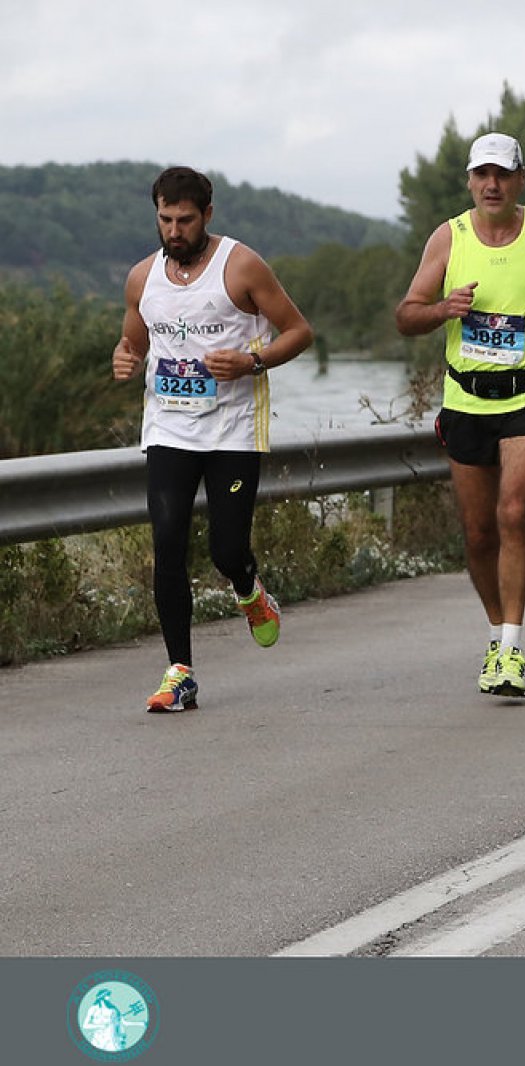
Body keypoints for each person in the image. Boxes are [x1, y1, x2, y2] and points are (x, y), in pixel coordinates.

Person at [395, 133, 525, 698]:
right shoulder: (449, 237)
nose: (492, 185)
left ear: (520, 180)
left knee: (513, 511)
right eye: (482, 175)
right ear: (469, 181)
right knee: (479, 530)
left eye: (503, 175)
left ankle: (512, 646)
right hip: (467, 398)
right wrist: (444, 309)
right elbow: (407, 315)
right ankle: (495, 632)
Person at [111, 166, 313, 713]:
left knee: (226, 550)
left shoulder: (240, 266)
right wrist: (124, 359)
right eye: (165, 220)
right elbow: (133, 343)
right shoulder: (141, 278)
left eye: (185, 220)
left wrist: (252, 361)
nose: (174, 231)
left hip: (232, 431)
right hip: (169, 429)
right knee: (167, 545)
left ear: (207, 215)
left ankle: (249, 589)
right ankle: (180, 672)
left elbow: (299, 332)